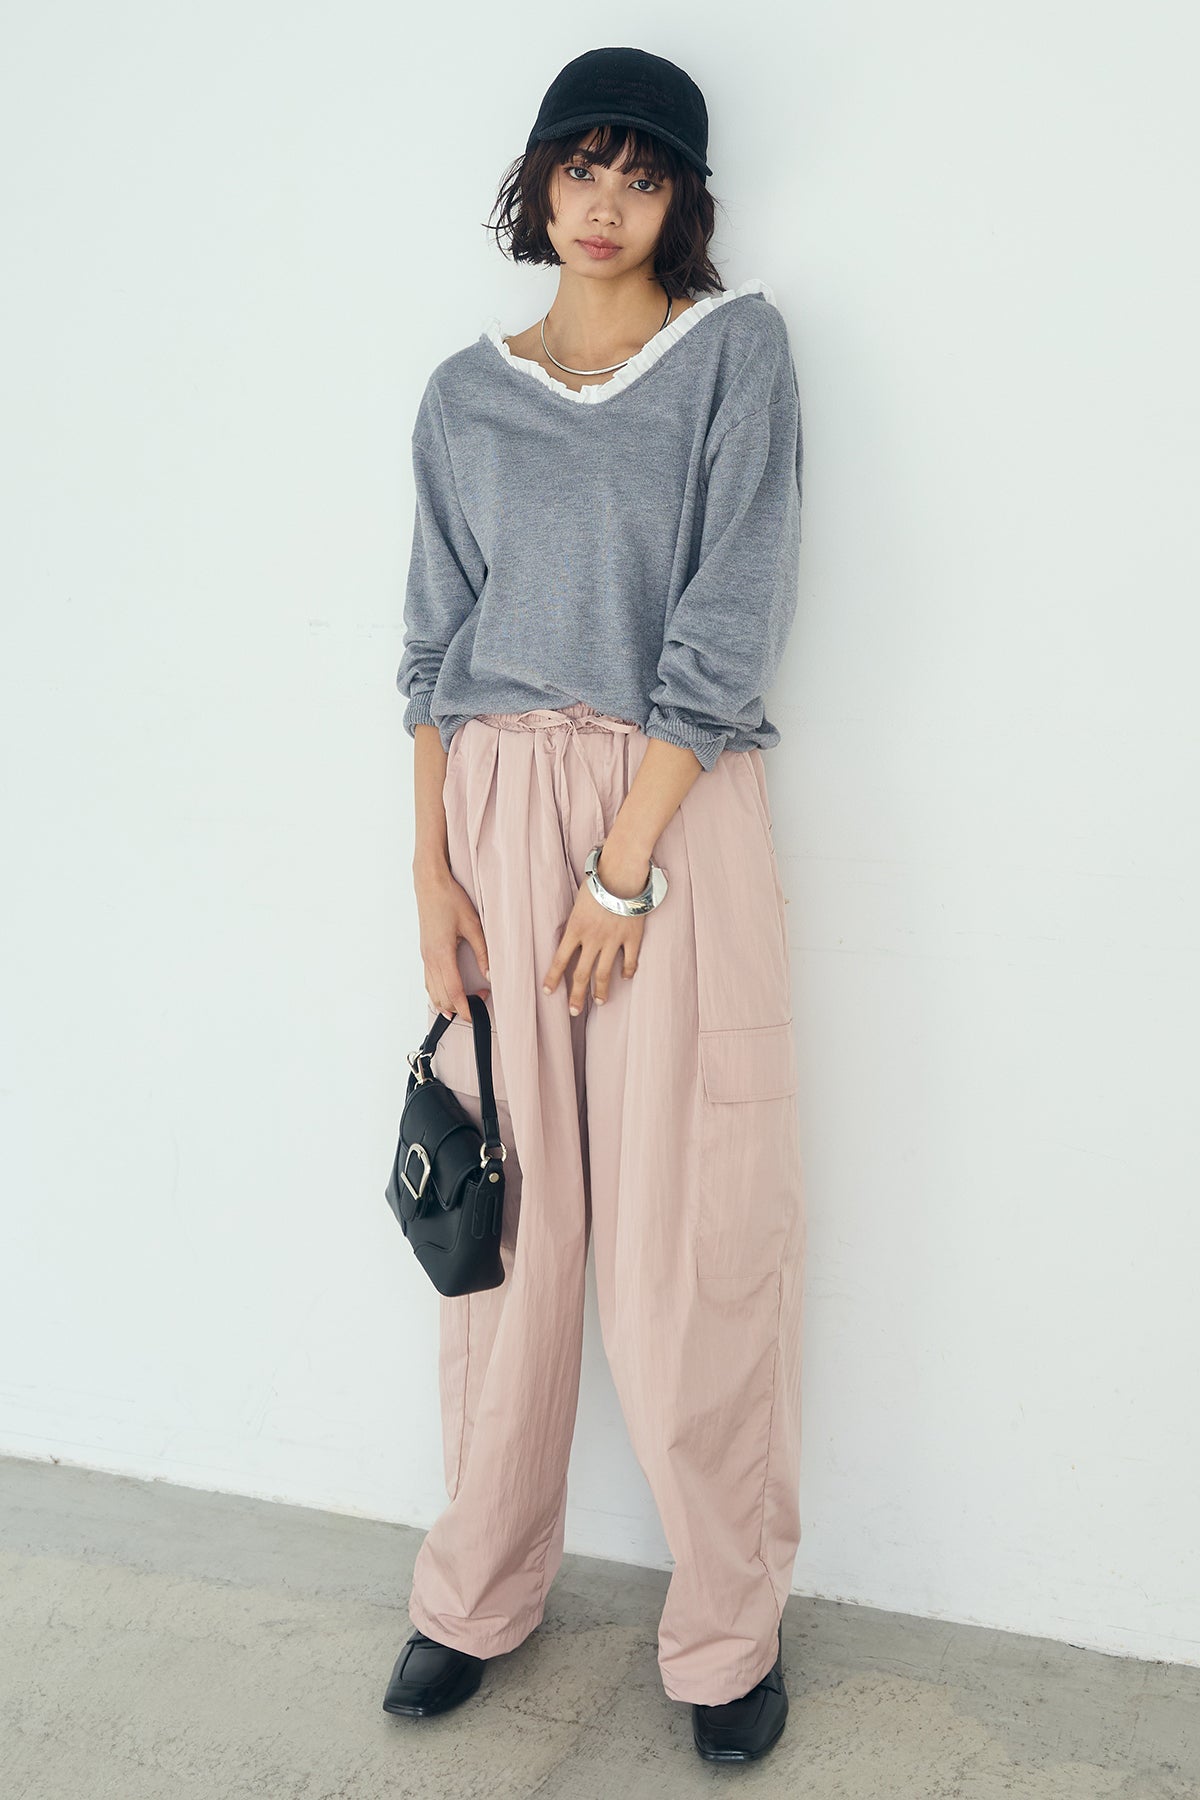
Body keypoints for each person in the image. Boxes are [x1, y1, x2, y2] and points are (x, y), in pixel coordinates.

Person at [382, 46, 807, 1765]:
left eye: (641, 175)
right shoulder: (460, 394)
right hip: (490, 808)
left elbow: (732, 609)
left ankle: (725, 1635)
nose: (605, 203)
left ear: (681, 199)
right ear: (539, 183)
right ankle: (475, 1593)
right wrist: (431, 872)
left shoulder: (737, 353)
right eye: (581, 168)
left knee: (690, 1239)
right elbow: (430, 648)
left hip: (668, 807)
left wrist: (623, 867)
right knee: (508, 1240)